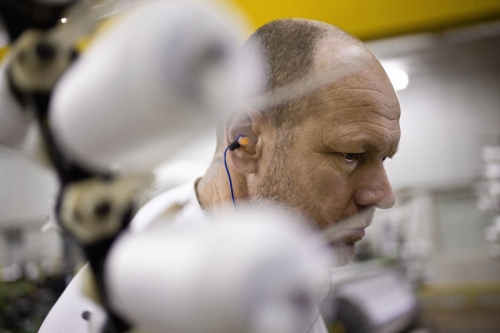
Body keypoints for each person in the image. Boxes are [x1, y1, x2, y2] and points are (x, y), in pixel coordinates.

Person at [39, 18, 400, 333]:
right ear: (246, 140)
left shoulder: (282, 268)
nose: (383, 195)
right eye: (352, 155)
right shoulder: (138, 304)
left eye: (384, 158)